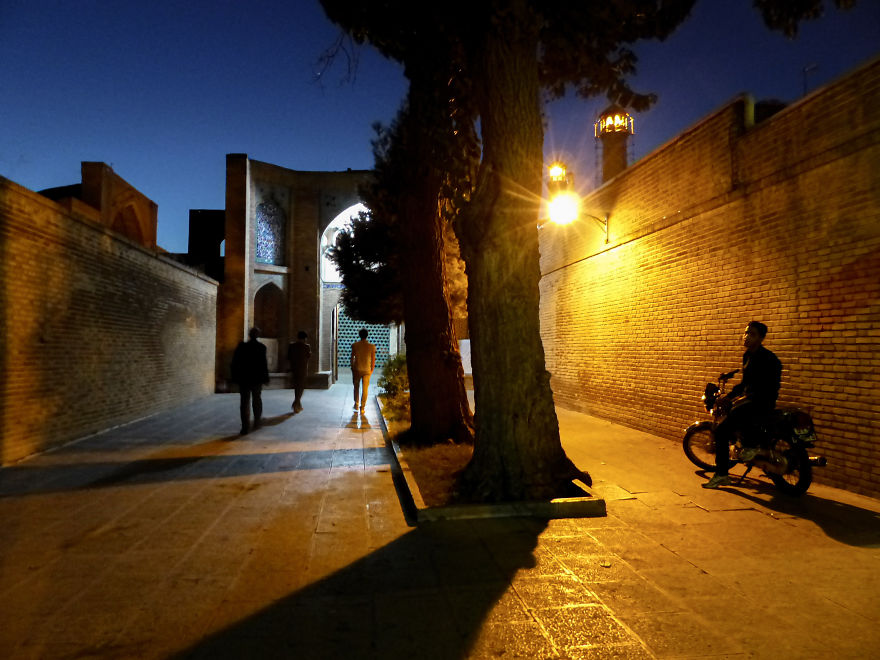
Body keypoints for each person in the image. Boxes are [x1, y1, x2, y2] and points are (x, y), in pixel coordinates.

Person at [703, 321, 783, 488]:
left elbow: (767, 386)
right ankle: (749, 447)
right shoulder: (748, 355)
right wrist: (729, 396)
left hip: (761, 402)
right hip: (750, 400)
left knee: (721, 430)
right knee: (734, 412)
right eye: (746, 333)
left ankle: (722, 474)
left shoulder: (768, 358)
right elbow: (745, 383)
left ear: (761, 338)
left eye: (752, 334)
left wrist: (740, 398)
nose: (746, 336)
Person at [230, 327, 269, 435]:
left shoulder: (242, 347)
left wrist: (234, 378)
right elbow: (263, 365)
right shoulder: (261, 347)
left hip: (244, 379)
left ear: (249, 335)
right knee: (257, 400)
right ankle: (257, 422)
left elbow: (235, 363)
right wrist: (265, 378)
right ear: (257, 335)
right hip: (256, 379)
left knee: (244, 402)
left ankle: (245, 427)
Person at [350, 328, 376, 413]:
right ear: (367, 335)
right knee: (365, 389)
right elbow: (373, 359)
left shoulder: (355, 345)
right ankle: (363, 407)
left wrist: (352, 367)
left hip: (357, 369)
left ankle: (356, 404)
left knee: (356, 387)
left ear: (359, 335)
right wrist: (372, 369)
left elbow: (352, 357)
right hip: (367, 370)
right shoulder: (372, 346)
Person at [288, 330, 311, 413]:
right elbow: (308, 357)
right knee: (301, 387)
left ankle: (298, 404)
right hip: (303, 369)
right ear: (305, 338)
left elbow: (288, 357)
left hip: (294, 369)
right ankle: (296, 403)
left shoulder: (291, 346)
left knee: (296, 387)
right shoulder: (306, 347)